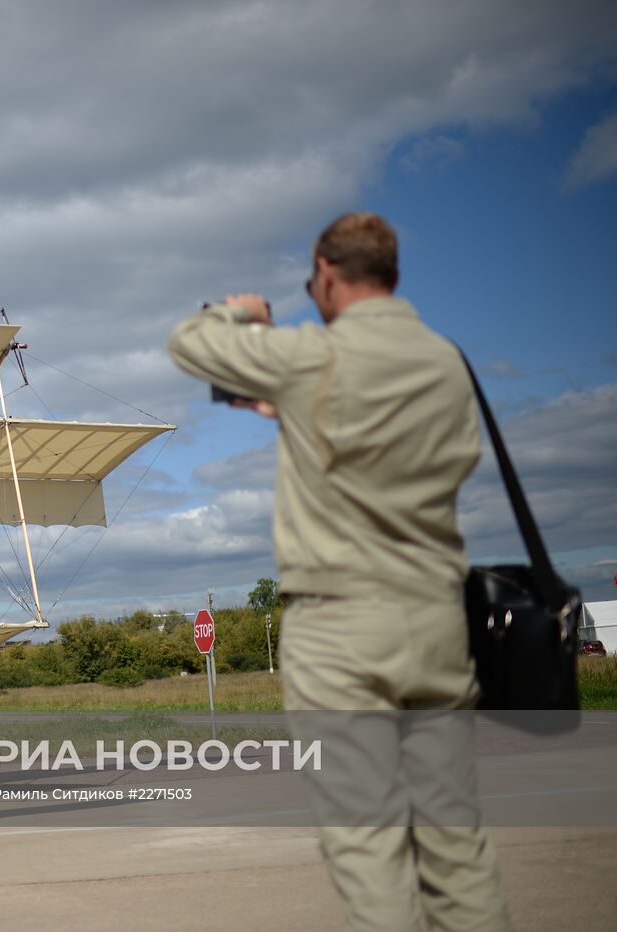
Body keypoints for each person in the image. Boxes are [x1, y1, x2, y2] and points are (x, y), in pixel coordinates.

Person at [166, 213, 509, 930]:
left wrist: (242, 312)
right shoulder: (448, 361)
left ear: (325, 272)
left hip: (340, 620)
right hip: (438, 615)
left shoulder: (311, 356)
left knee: (369, 848)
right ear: (393, 274)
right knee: (456, 846)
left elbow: (190, 344)